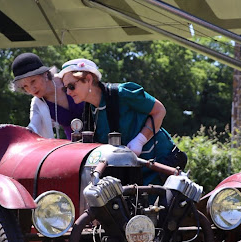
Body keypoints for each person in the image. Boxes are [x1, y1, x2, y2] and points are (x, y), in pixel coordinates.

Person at [56, 58, 187, 184]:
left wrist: (140, 140)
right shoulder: (90, 110)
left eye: (71, 86)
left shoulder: (122, 93)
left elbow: (159, 110)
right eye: (65, 88)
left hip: (161, 165)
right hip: (135, 171)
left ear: (88, 79)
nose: (68, 92)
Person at [11, 53, 84, 139]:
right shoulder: (37, 104)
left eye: (33, 81)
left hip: (98, 130)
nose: (31, 89)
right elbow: (33, 128)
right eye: (25, 86)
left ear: (45, 74)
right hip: (77, 143)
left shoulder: (67, 79)